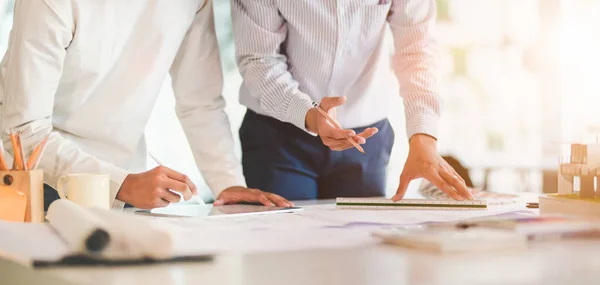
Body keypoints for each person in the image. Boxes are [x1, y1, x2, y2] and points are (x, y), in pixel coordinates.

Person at [0, 0, 292, 210]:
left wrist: (228, 184)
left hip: (124, 184)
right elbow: (25, 131)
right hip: (34, 186)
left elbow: (200, 101)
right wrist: (122, 183)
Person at [232, 0, 473, 201]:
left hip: (366, 138)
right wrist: (309, 114)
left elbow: (417, 51)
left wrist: (423, 137)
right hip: (278, 137)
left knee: (361, 250)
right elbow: (259, 59)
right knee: (285, 250)